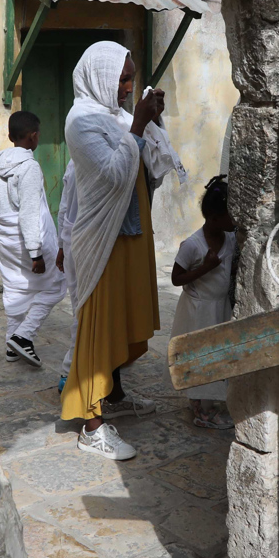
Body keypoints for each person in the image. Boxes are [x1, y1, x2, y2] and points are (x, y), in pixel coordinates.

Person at [59, 41, 168, 459]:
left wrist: (151, 120)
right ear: (100, 76)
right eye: (122, 78)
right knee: (98, 328)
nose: (127, 87)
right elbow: (113, 176)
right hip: (102, 238)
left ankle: (115, 395)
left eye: (131, 78)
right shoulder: (80, 121)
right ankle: (91, 423)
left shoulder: (117, 116)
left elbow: (153, 167)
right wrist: (138, 126)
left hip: (130, 233)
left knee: (123, 318)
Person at [0, 110, 63, 367]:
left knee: (15, 288)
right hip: (25, 239)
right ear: (33, 137)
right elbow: (29, 212)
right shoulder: (29, 167)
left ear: (10, 136)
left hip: (5, 237)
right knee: (56, 285)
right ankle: (23, 336)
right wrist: (36, 252)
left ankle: (11, 344)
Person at [170, 175, 237, 429]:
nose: (234, 221)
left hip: (219, 308)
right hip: (199, 311)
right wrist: (206, 268)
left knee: (217, 355)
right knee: (200, 356)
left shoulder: (229, 238)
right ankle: (203, 410)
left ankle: (204, 404)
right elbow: (176, 278)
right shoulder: (193, 245)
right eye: (230, 216)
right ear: (214, 217)